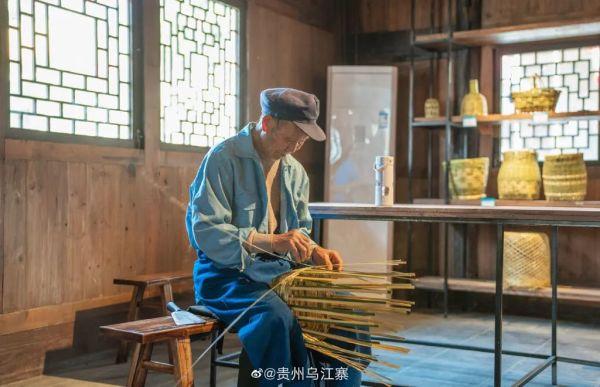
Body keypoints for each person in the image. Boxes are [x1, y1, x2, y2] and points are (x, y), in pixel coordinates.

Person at [186, 88, 369, 386]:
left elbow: (299, 232)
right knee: (276, 318)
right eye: (290, 138)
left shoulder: (295, 172)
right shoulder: (223, 159)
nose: (295, 148)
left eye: (302, 141)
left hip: (279, 272)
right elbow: (206, 231)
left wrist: (312, 250)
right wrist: (273, 241)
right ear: (268, 122)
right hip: (226, 276)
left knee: (348, 309)